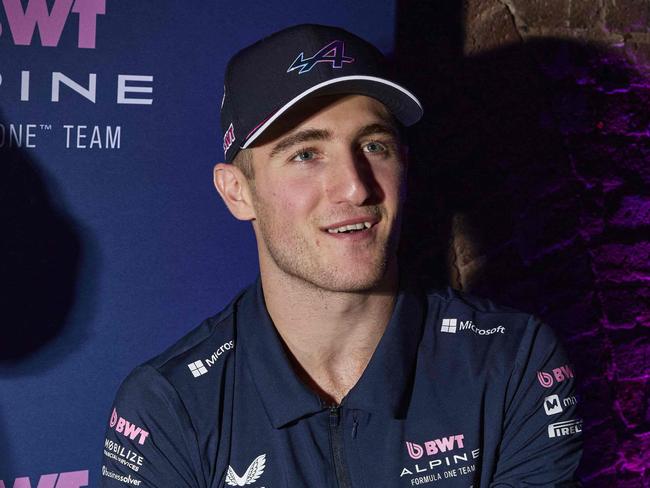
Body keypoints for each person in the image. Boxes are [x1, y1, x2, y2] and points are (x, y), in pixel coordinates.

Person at [100, 24, 582, 487]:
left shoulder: (512, 360)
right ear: (237, 192)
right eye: (306, 154)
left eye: (374, 146)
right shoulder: (170, 404)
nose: (356, 186)